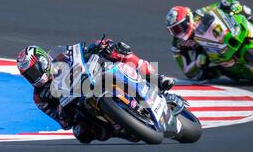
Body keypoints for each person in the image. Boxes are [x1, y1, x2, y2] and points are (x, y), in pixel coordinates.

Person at [16, 38, 175, 143]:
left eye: (34, 71)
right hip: (79, 103)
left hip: (95, 76)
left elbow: (82, 50)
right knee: (81, 134)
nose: (33, 77)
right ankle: (119, 128)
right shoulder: (39, 98)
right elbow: (63, 123)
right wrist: (62, 112)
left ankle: (156, 78)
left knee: (119, 50)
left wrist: (100, 45)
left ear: (43, 61)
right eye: (28, 75)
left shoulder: (61, 58)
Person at [166, 0, 253, 80]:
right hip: (208, 55)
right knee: (207, 73)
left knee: (245, 10)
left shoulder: (201, 13)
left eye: (180, 27)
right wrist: (197, 63)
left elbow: (222, 3)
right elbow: (187, 71)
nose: (179, 32)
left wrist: (231, 5)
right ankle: (230, 72)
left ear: (188, 18)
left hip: (223, 35)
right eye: (175, 30)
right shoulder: (178, 44)